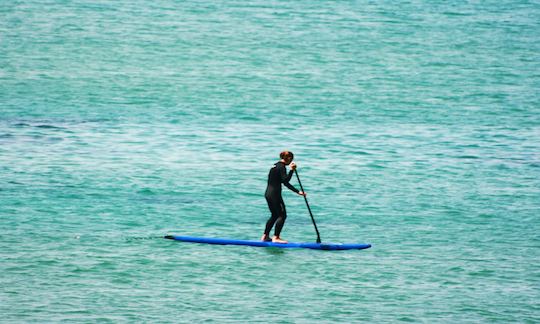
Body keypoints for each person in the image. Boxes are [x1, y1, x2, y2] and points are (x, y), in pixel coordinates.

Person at [261, 151, 306, 243]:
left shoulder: (275, 166)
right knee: (282, 215)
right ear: (288, 158)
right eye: (291, 158)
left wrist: (298, 192)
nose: (291, 161)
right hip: (275, 195)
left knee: (274, 215)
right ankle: (276, 237)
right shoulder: (281, 167)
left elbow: (284, 182)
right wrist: (292, 170)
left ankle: (265, 236)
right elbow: (286, 180)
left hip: (268, 194)